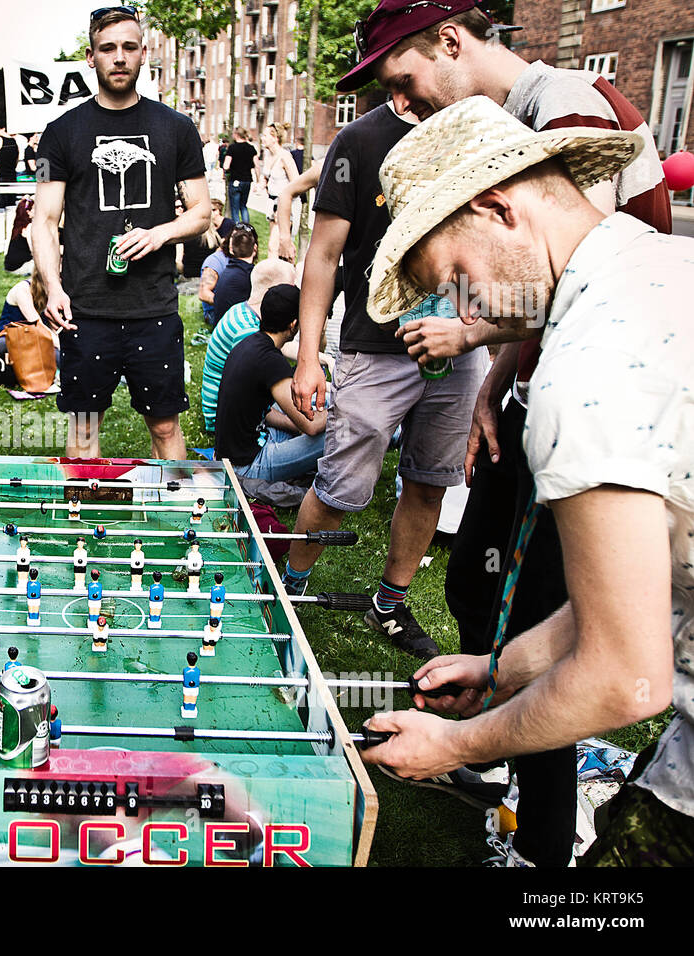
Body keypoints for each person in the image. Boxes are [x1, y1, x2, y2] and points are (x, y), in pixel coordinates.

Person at [344, 0, 673, 865]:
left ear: (496, 207)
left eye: (452, 274)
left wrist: (456, 744)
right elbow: (636, 593)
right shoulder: (659, 269)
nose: (463, 310)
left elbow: (625, 675)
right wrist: (500, 673)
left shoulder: (583, 370)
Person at [284, 91, 482, 661]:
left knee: (430, 482)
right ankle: (289, 593)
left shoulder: (479, 127)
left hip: (461, 343)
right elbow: (322, 255)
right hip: (376, 346)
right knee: (340, 486)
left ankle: (390, 602)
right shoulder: (359, 140)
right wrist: (307, 355)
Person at [33, 6, 209, 460]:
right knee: (84, 429)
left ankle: (174, 526)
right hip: (85, 309)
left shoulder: (176, 128)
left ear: (143, 53)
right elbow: (45, 221)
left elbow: (202, 213)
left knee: (166, 426)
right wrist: (52, 286)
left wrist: (160, 234)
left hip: (154, 306)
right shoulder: (60, 132)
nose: (119, 57)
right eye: (107, 48)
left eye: (129, 47)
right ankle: (80, 528)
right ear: (90, 57)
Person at [215, 284, 326, 492]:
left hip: (233, 453)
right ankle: (392, 435)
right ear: (293, 325)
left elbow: (262, 411)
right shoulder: (271, 360)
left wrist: (295, 424)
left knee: (321, 406)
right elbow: (310, 426)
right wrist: (343, 409)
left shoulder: (249, 343)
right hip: (248, 466)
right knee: (339, 432)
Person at [199, 258, 297, 432]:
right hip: (224, 418)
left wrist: (321, 358)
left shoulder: (242, 311)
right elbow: (255, 396)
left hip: (230, 407)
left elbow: (282, 348)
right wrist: (298, 427)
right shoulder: (247, 331)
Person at [261, 124, 301, 259]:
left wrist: (284, 208)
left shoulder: (285, 157)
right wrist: (261, 184)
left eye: (265, 135)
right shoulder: (268, 155)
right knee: (282, 249)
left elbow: (297, 184)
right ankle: (290, 276)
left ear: (275, 137)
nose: (262, 138)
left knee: (274, 247)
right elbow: (267, 177)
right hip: (272, 204)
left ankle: (274, 278)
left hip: (285, 206)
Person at [208, 223, 257, 323]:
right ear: (254, 248)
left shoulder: (228, 270)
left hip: (222, 328)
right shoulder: (249, 275)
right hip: (236, 331)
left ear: (232, 249)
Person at [197, 216, 236, 328]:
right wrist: (227, 303)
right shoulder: (215, 261)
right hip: (215, 312)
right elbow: (204, 294)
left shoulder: (243, 259)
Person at [222, 126, 259, 224]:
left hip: (235, 179)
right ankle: (247, 228)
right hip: (247, 180)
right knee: (243, 206)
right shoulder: (251, 148)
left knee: (235, 208)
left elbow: (226, 165)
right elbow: (257, 166)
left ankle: (237, 229)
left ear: (236, 135)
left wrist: (226, 171)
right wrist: (258, 180)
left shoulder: (232, 148)